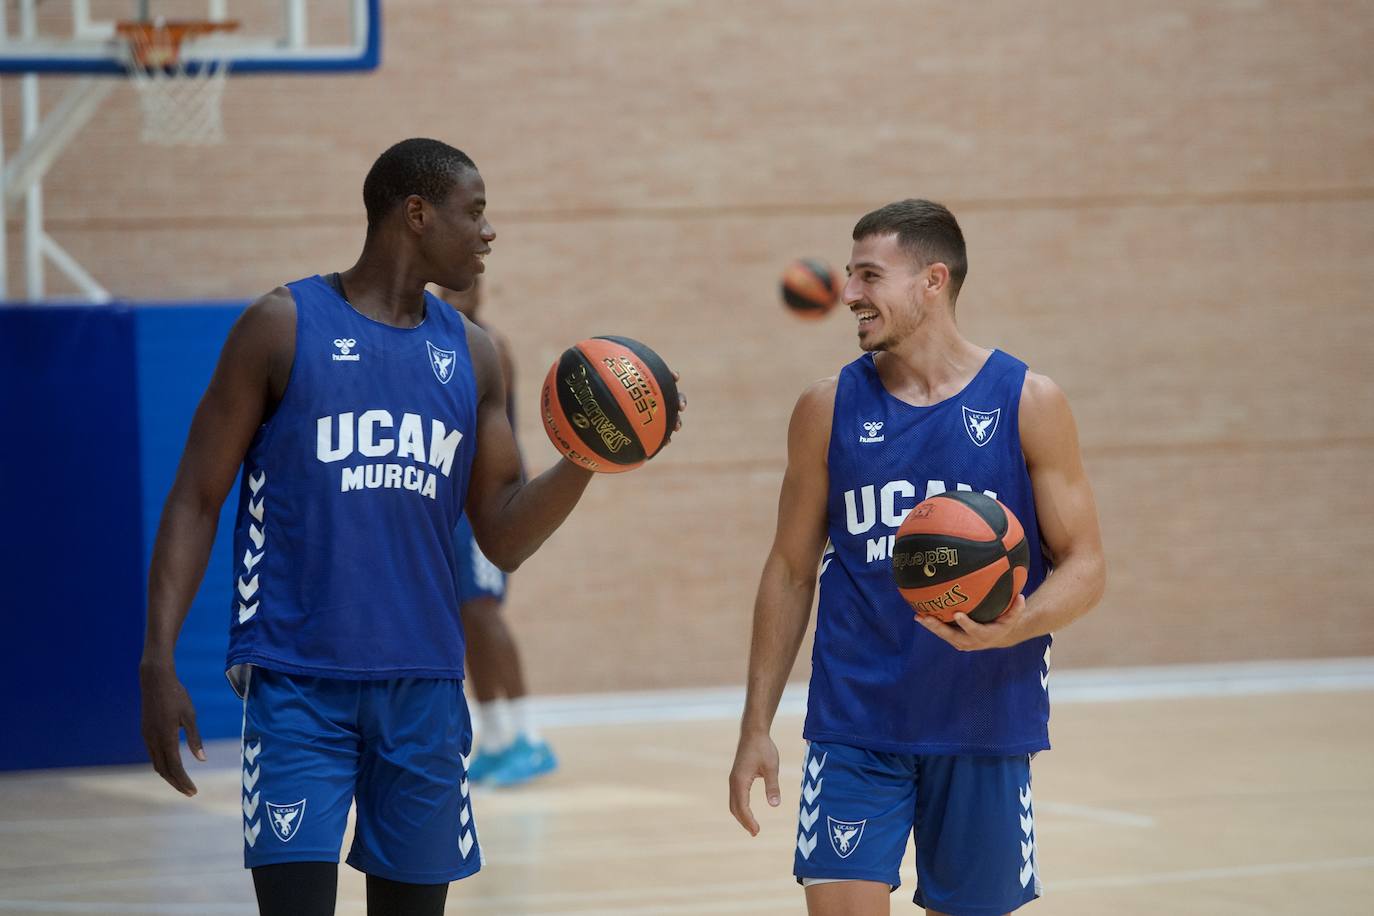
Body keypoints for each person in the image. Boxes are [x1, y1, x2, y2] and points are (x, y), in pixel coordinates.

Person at [138, 138, 682, 916]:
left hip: (424, 690)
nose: (489, 232)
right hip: (298, 682)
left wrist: (587, 457)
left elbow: (501, 536)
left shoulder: (475, 356)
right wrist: (159, 661)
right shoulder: (280, 327)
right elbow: (194, 497)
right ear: (417, 214)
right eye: (476, 212)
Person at [727, 199, 1105, 916]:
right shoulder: (826, 407)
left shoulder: (1029, 401)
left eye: (869, 276)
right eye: (847, 276)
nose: (848, 296)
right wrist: (755, 727)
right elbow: (789, 569)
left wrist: (1013, 626)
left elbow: (1087, 565)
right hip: (856, 725)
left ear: (933, 281)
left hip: (984, 723)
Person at [435, 279, 557, 787]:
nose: (460, 294)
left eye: (469, 288)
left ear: (481, 294)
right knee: (465, 618)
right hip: (447, 496)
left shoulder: (490, 347)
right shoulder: (431, 340)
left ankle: (529, 737)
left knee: (484, 612)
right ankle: (495, 738)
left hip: (487, 495)